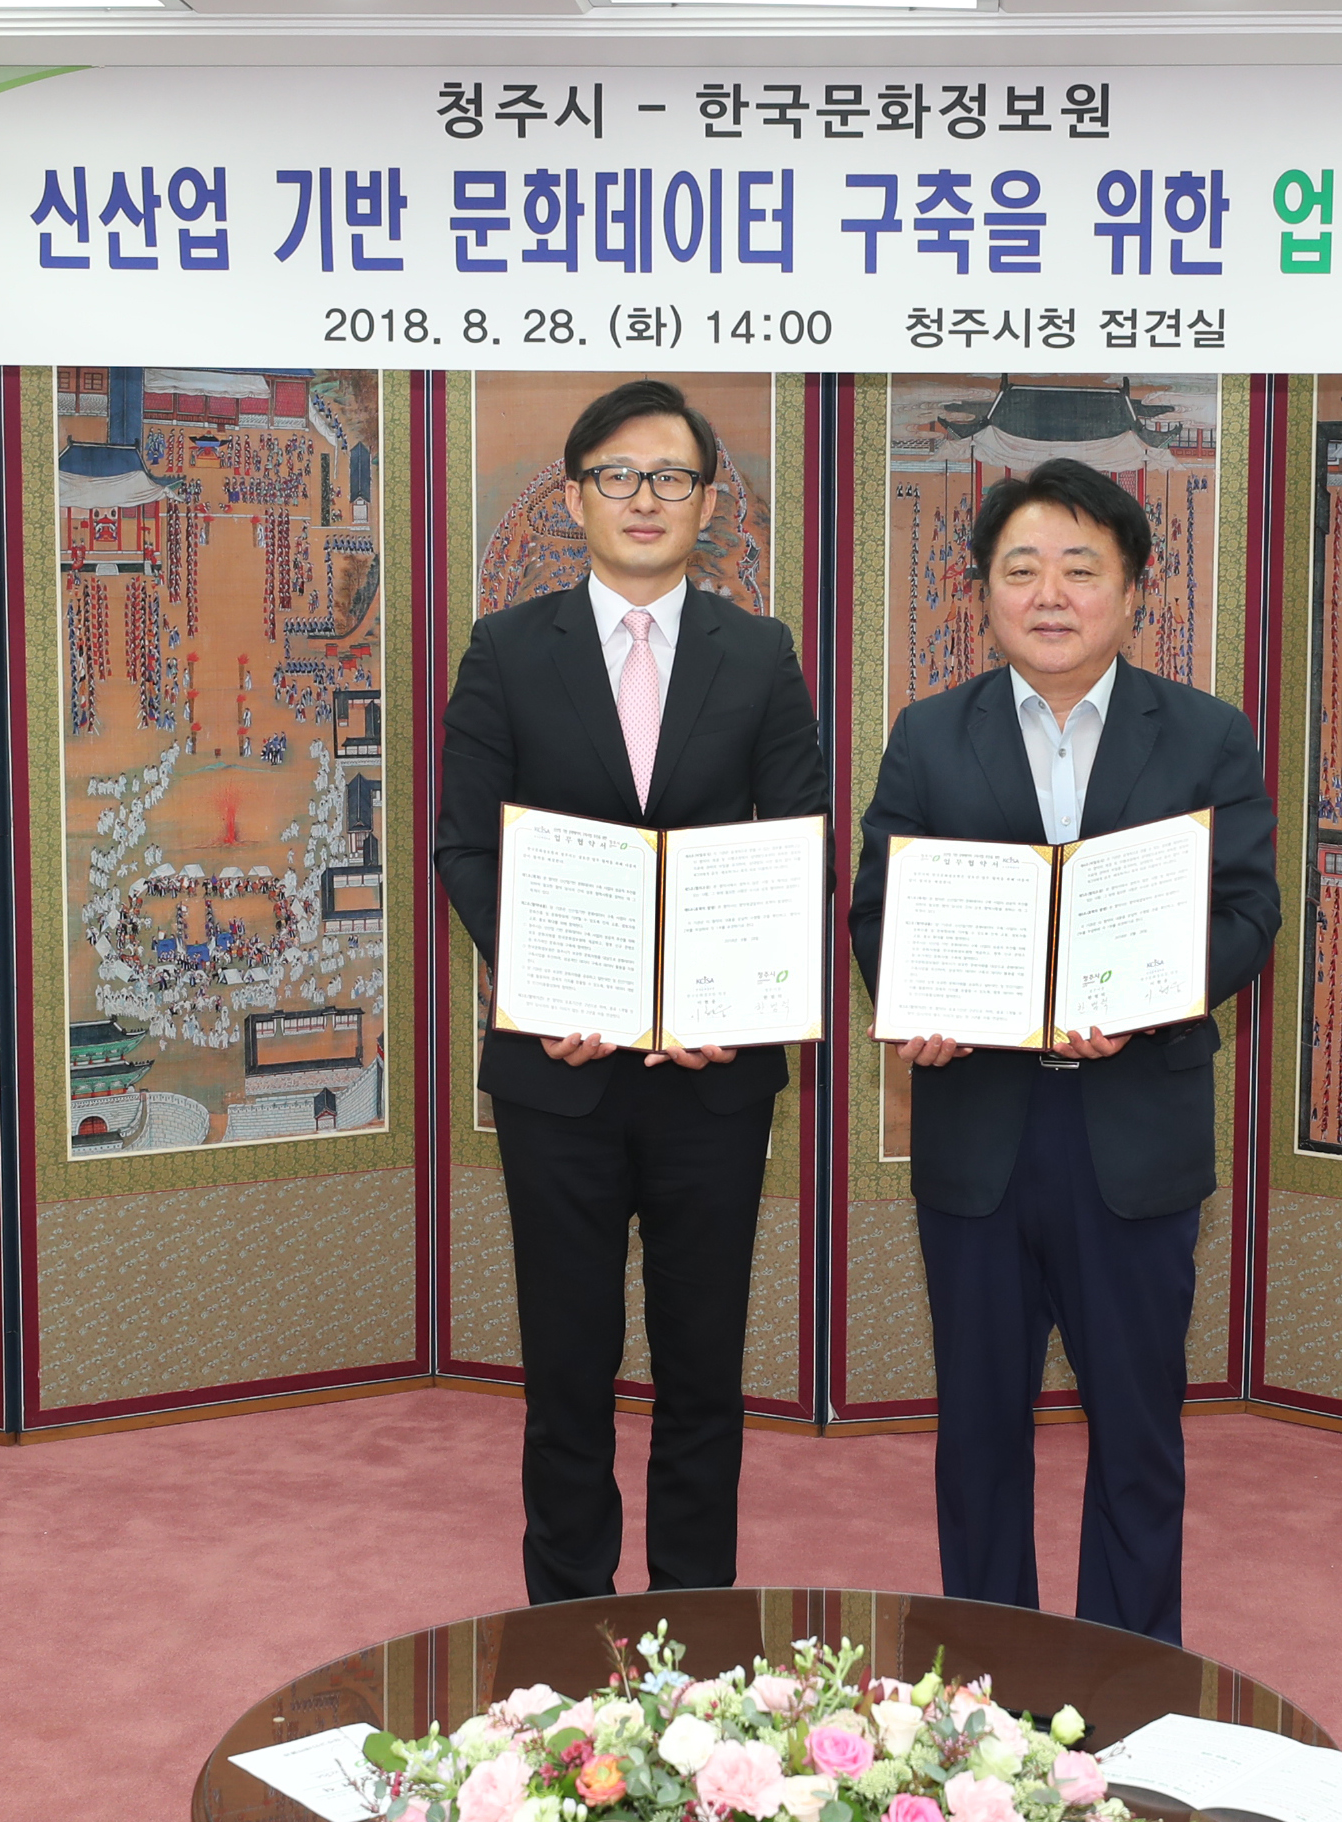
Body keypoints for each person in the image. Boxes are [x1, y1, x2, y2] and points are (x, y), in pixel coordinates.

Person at [849, 457, 1280, 1644]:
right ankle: (986, 1694)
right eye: (1021, 568)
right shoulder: (932, 737)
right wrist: (918, 999)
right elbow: (880, 910)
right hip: (980, 1133)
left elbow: (1247, 914)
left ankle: (1128, 1681)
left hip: (1131, 1131)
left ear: (1135, 589)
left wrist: (1147, 997)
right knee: (978, 1435)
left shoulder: (1202, 735)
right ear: (981, 591)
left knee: (1136, 1435)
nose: (1051, 594)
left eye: (1081, 569)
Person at [434, 378, 826, 1603]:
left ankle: (696, 1625)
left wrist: (736, 1008)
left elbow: (800, 841)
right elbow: (465, 848)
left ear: (709, 501)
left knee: (704, 1367)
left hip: (715, 1079)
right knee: (567, 1368)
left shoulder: (760, 653)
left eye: (670, 477)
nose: (643, 498)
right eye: (617, 474)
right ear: (573, 496)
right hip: (562, 1073)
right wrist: (543, 992)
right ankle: (567, 1621)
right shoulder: (507, 649)